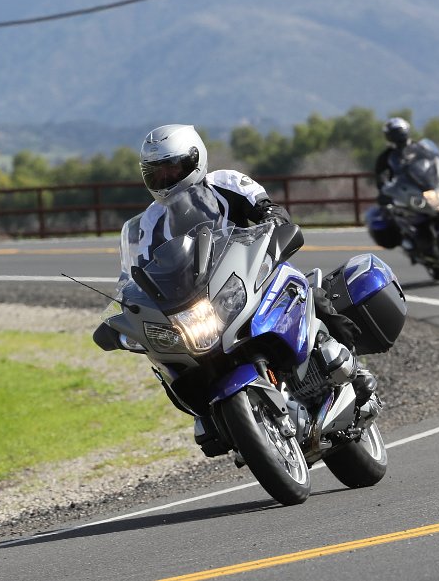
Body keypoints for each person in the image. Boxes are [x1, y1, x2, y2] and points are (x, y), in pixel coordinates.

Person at [120, 124, 376, 405]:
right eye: (156, 172)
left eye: (172, 167)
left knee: (304, 290)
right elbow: (139, 271)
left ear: (195, 159)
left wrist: (274, 221)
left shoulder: (225, 182)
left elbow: (267, 209)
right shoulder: (150, 221)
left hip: (248, 276)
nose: (166, 177)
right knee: (175, 361)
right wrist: (126, 306)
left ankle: (353, 364)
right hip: (197, 301)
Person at [372, 117, 439, 233]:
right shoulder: (387, 156)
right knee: (402, 216)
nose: (399, 135)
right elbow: (381, 176)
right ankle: (412, 239)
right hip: (407, 191)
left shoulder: (419, 147)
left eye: (400, 131)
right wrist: (384, 189)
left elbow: (437, 158)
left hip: (428, 183)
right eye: (395, 133)